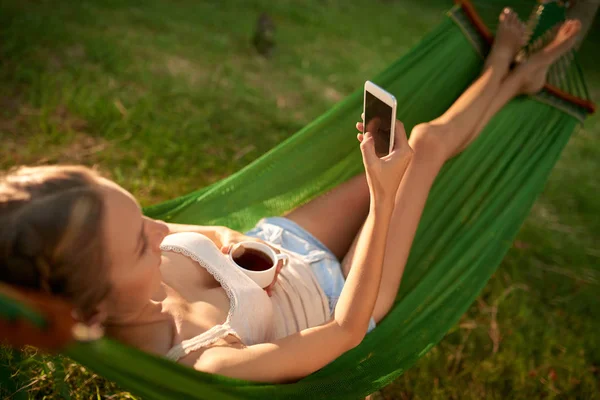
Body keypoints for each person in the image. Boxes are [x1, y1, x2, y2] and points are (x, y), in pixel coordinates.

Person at [0, 10, 581, 384]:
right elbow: (344, 335)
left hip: (283, 244)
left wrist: (235, 249)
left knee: (406, 145)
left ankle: (509, 75)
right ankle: (511, 76)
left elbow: (212, 236)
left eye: (141, 214)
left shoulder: (114, 258)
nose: (159, 227)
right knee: (423, 148)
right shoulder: (206, 361)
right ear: (91, 313)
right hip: (343, 297)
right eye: (138, 242)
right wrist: (383, 199)